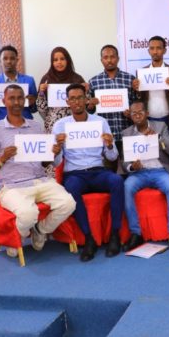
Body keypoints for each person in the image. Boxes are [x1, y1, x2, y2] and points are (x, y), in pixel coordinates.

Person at [0, 84, 75, 257]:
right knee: (29, 213)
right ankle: (16, 236)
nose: (16, 102)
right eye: (12, 98)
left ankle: (40, 229)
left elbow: (44, 163)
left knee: (69, 203)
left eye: (20, 98)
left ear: (25, 100)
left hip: (39, 180)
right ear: (4, 101)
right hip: (11, 186)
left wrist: (52, 153)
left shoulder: (36, 127)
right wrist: (2, 158)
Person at [53, 83, 124, 262]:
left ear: (86, 99)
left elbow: (113, 156)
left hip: (98, 171)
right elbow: (56, 162)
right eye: (73, 98)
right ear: (67, 102)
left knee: (117, 181)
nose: (77, 102)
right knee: (71, 189)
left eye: (80, 97)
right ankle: (89, 238)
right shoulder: (60, 125)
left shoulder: (100, 122)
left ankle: (115, 234)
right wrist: (57, 148)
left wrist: (109, 144)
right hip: (75, 173)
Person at [122, 100, 169, 253]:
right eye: (134, 113)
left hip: (159, 170)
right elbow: (124, 161)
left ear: (147, 113)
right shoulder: (127, 133)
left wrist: (158, 139)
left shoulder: (160, 127)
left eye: (140, 112)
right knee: (127, 186)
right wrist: (131, 166)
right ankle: (135, 233)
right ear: (130, 116)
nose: (137, 116)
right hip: (139, 173)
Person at [87, 44, 138, 154]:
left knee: (129, 168)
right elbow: (90, 111)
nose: (109, 60)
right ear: (101, 60)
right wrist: (91, 105)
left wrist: (132, 113)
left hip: (127, 132)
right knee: (108, 169)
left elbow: (136, 103)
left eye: (112, 57)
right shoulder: (93, 81)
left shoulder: (130, 79)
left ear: (118, 58)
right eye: (105, 57)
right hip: (105, 136)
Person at [131, 36, 169, 139]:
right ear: (148, 51)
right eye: (152, 48)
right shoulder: (141, 73)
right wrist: (137, 90)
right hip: (148, 119)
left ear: (164, 50)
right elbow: (139, 99)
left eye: (158, 48)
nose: (155, 51)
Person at [36, 46, 86, 133]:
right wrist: (41, 93)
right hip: (53, 126)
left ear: (68, 60)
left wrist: (87, 90)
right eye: (55, 60)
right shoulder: (46, 79)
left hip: (75, 126)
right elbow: (41, 110)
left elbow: (85, 105)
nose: (59, 62)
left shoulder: (77, 79)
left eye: (62, 59)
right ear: (52, 62)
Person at [0, 45, 38, 121]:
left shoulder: (29, 81)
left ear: (17, 60)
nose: (9, 61)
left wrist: (32, 103)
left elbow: (34, 110)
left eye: (12, 58)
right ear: (0, 61)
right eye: (5, 58)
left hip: (26, 124)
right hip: (2, 126)